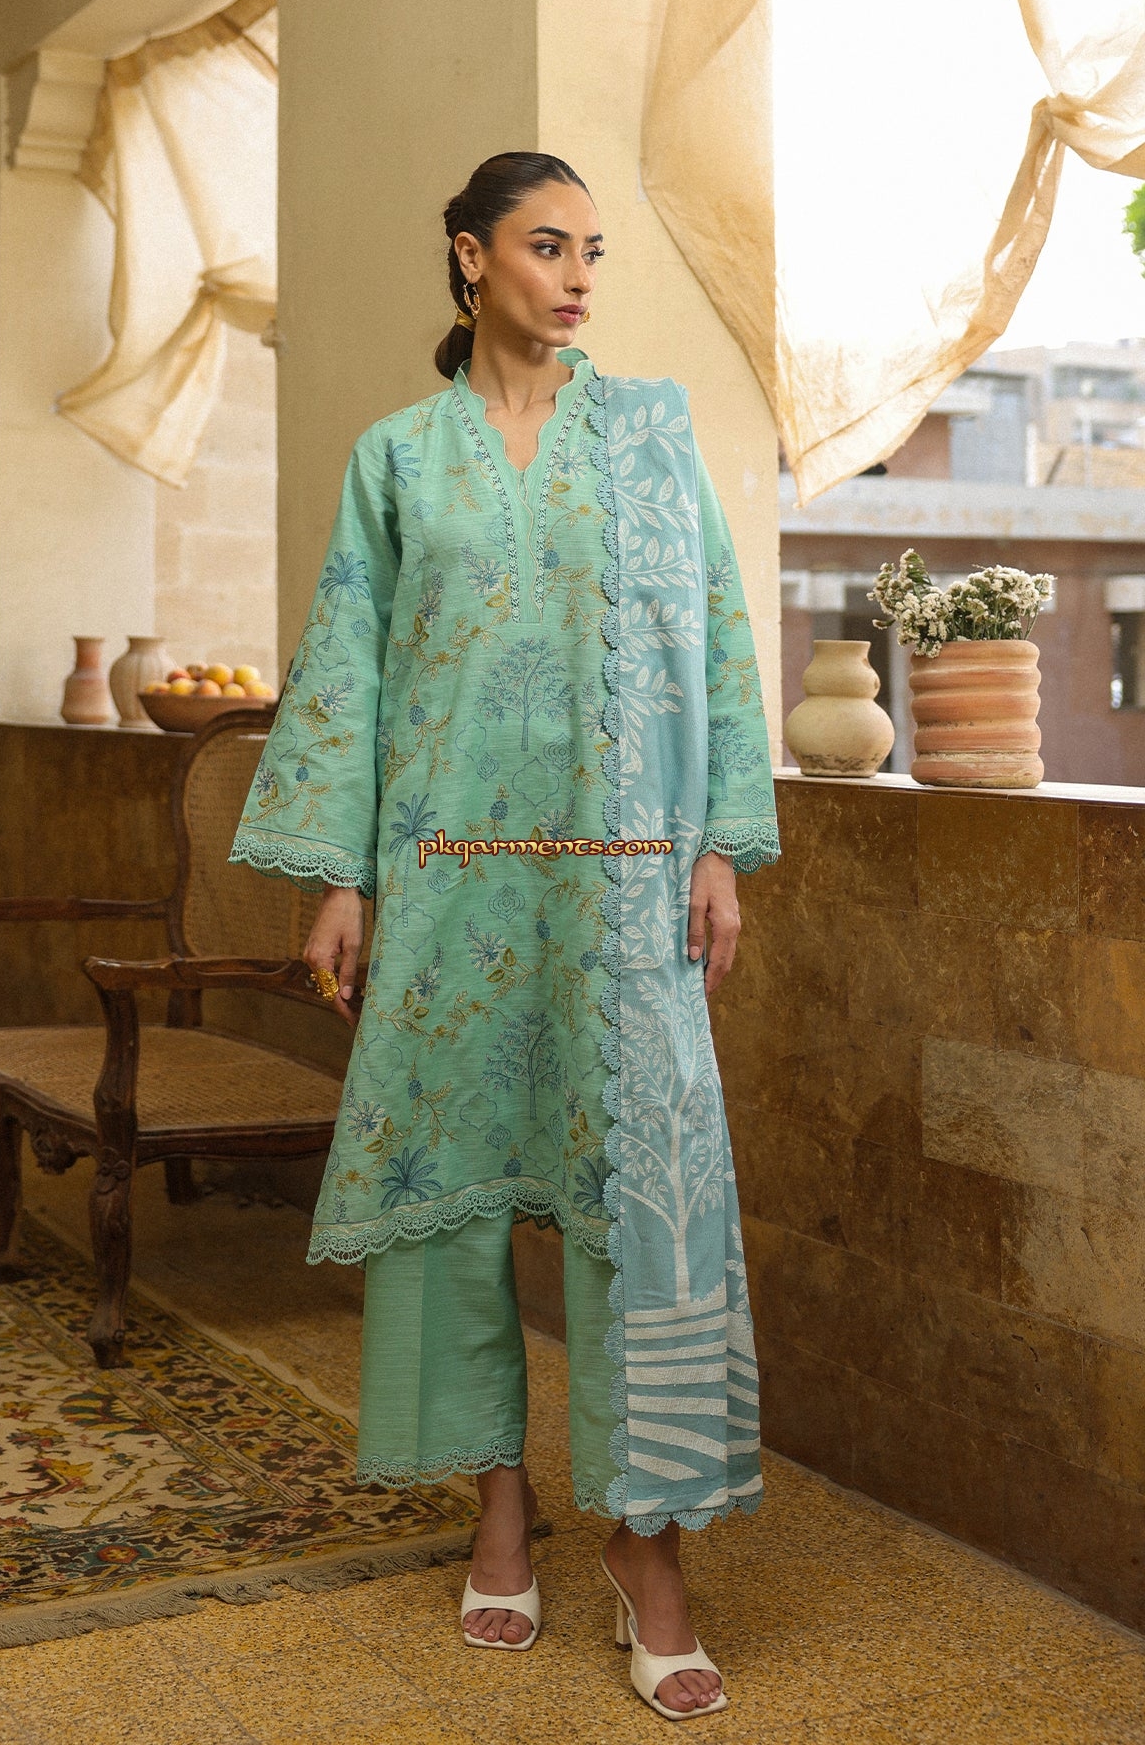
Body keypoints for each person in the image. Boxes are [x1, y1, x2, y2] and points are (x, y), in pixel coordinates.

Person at [229, 151, 779, 1721]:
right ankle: (499, 1507)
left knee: (645, 1199)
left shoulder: (651, 438)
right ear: (470, 258)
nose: (580, 275)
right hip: (452, 876)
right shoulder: (400, 458)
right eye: (548, 246)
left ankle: (649, 1547)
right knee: (449, 1195)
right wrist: (343, 878)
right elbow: (349, 662)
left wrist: (720, 846)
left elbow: (719, 635)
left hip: (625, 881)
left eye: (592, 248)